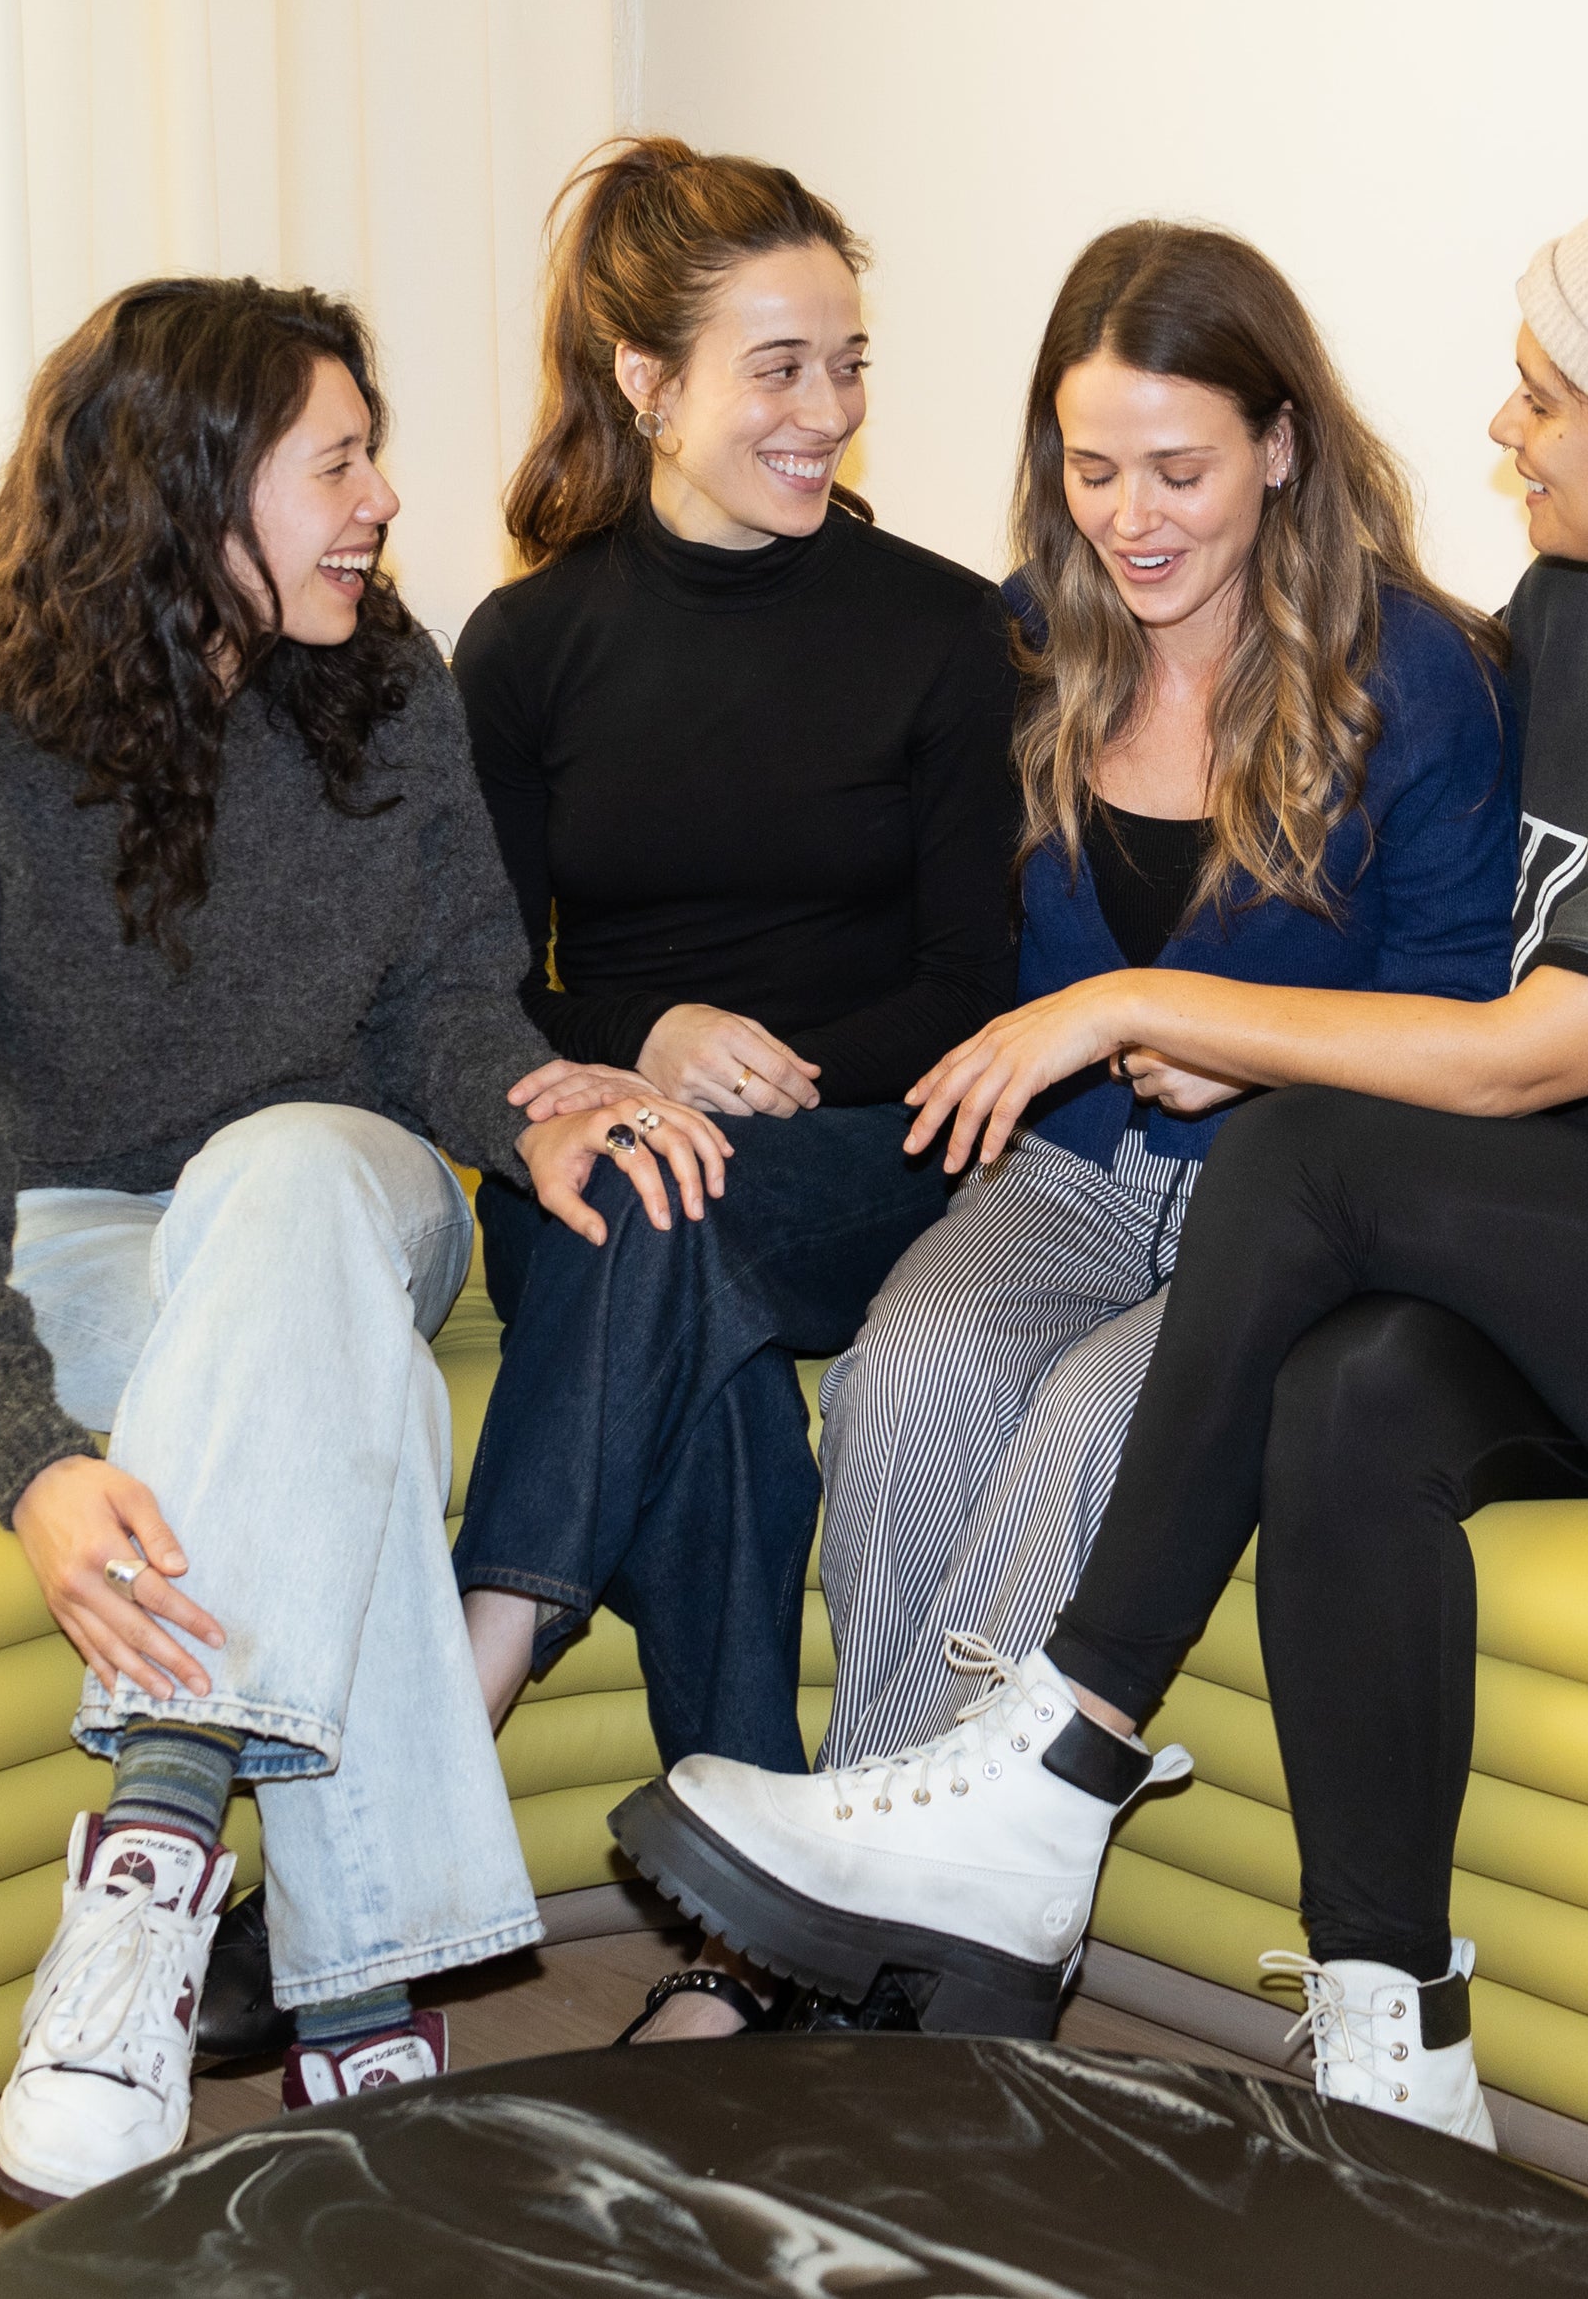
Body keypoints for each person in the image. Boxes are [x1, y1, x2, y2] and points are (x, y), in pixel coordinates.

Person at [610, 182, 1588, 2135]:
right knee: (1352, 1391)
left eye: (1553, 402)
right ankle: (1396, 2033)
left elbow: (1508, 1050)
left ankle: (1049, 1766)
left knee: (1310, 1158)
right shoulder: (1574, 621)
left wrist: (1142, 1006)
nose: (1505, 429)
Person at [0, 278, 729, 2204]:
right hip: (83, 1248)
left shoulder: (385, 684)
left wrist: (540, 1104)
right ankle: (360, 2009)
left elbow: (462, 1008)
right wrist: (35, 1464)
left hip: (343, 1196)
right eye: (341, 461)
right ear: (184, 490)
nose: (386, 498)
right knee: (353, 1404)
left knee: (297, 1171)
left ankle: (144, 1859)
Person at [810, 221, 1515, 1805]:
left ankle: (895, 1863)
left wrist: (1228, 1040)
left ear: (1281, 446)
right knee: (908, 1367)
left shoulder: (1416, 674)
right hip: (1061, 1172)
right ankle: (875, 1862)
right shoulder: (1023, 643)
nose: (1131, 520)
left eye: (1179, 472)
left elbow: (1468, 1016)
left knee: (1083, 1415)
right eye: (1091, 468)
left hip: (1301, 1213)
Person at [448, 139, 1019, 2040]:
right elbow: (479, 986)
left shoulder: (948, 632)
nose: (830, 411)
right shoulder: (527, 647)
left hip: (868, 1154)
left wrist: (758, 1078)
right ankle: (747, 1947)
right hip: (613, 1152)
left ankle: (470, 1668)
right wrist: (646, 1043)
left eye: (848, 361)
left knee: (671, 1208)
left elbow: (969, 985)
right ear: (646, 379)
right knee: (670, 1263)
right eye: (779, 367)